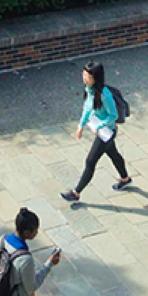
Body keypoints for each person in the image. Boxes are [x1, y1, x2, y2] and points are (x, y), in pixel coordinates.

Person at [60, 62, 131, 202]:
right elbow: (87, 108)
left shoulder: (105, 95)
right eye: (84, 75)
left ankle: (76, 193)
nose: (84, 79)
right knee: (113, 153)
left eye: (88, 76)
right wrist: (81, 125)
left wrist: (98, 127)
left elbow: (113, 115)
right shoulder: (89, 89)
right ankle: (125, 179)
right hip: (99, 128)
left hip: (106, 133)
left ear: (96, 78)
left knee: (90, 161)